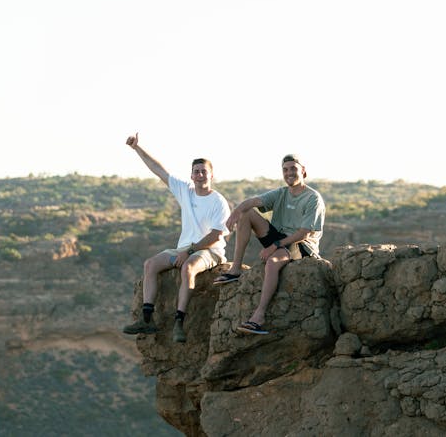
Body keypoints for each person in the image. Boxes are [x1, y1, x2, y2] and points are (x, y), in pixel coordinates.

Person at [122, 132, 231, 343]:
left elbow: (217, 235)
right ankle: (147, 319)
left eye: (204, 172)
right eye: (196, 172)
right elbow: (159, 171)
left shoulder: (219, 202)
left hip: (210, 251)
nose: (200, 175)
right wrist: (137, 148)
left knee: (188, 267)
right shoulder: (186, 191)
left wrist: (190, 251)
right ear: (191, 176)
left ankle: (179, 322)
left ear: (211, 175)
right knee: (150, 264)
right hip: (184, 248)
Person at [215, 154, 325, 335]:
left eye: (293, 169)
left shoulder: (313, 198)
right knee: (247, 213)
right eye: (285, 169)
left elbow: (303, 233)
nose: (289, 173)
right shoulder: (281, 193)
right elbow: (252, 202)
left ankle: (259, 316)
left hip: (301, 244)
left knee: (273, 262)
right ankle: (235, 270)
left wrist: (275, 245)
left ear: (303, 171)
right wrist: (237, 211)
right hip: (280, 236)